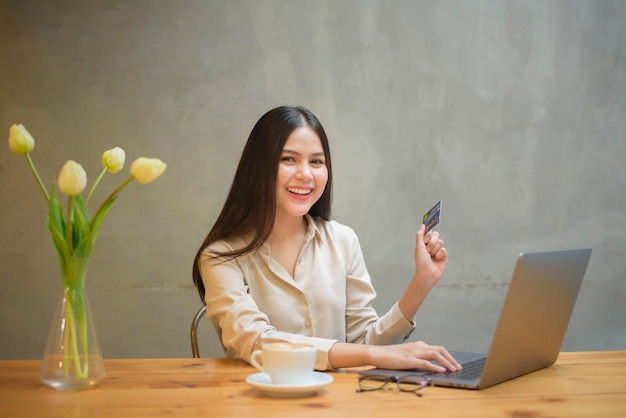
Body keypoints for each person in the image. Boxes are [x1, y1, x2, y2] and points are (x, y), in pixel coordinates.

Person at [192, 105, 461, 373]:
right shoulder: (220, 256)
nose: (306, 174)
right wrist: (377, 355)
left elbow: (364, 343)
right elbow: (258, 341)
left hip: (336, 405)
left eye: (317, 161)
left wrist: (421, 282)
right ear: (258, 167)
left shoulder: (343, 240)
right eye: (288, 159)